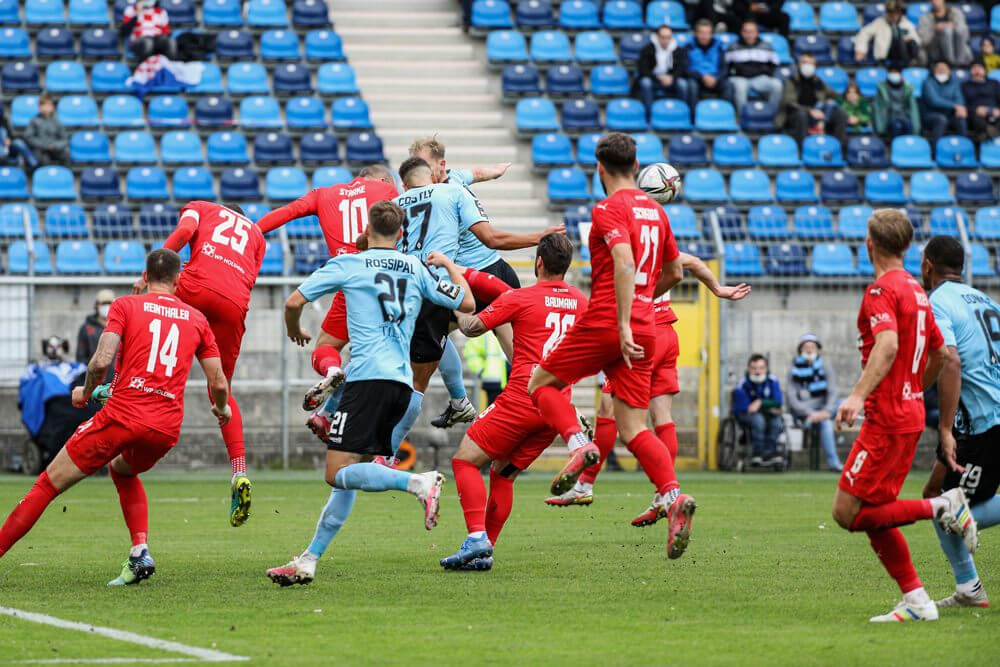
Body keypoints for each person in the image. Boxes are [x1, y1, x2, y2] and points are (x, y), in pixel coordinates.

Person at [265, 201, 474, 586]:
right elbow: (467, 303)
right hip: (401, 384)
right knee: (355, 473)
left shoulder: (350, 263)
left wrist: (295, 327)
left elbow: (295, 300)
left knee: (336, 473)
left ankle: (417, 482)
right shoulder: (415, 267)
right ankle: (309, 559)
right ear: (400, 234)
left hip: (365, 381)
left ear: (367, 228)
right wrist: (449, 267)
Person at [0, 249, 230, 586]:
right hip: (164, 427)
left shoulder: (125, 305)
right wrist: (222, 408)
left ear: (145, 276)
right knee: (122, 469)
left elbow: (100, 361)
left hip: (122, 416)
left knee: (47, 484)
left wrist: (84, 391)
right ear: (178, 279)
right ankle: (139, 553)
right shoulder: (197, 319)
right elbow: (219, 381)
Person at [526, 133, 696, 560]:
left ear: (600, 169)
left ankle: (578, 445)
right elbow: (675, 271)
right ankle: (672, 496)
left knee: (539, 382)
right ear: (636, 166)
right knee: (634, 427)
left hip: (608, 321)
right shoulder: (657, 211)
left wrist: (620, 320)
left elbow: (623, 260)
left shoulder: (607, 209)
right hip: (647, 327)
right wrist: (640, 303)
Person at [832, 209, 976, 623]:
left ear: (869, 245)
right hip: (908, 411)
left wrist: (858, 396)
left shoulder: (882, 291)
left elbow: (889, 345)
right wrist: (914, 387)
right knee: (876, 511)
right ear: (909, 247)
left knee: (847, 513)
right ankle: (917, 601)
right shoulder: (916, 290)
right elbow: (941, 353)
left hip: (887, 418)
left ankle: (945, 505)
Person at [547, 252, 751, 508]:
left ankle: (585, 485)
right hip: (667, 332)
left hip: (641, 335)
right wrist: (718, 289)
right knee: (662, 416)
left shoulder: (626, 255)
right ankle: (665, 496)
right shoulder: (658, 251)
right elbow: (694, 263)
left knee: (609, 408)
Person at [442, 233, 587, 570]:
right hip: (555, 411)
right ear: (566, 266)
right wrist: (455, 267)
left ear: (538, 262)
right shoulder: (582, 302)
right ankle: (484, 551)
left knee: (464, 461)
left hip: (522, 399)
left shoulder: (523, 298)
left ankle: (477, 537)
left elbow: (474, 328)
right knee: (502, 476)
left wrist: (459, 308)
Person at [407, 137, 562, 429]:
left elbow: (492, 238)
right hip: (490, 273)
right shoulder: (450, 179)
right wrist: (495, 171)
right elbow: (474, 173)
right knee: (518, 358)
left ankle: (468, 403)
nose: (421, 175)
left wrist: (539, 237)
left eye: (425, 167)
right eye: (417, 167)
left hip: (479, 280)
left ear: (441, 166)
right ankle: (544, 408)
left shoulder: (447, 193)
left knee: (440, 330)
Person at [134, 202, 266, 528]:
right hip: (234, 304)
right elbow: (249, 276)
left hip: (195, 286)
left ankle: (122, 381)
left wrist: (147, 275)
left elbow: (184, 232)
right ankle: (239, 471)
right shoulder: (257, 235)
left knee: (145, 315)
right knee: (219, 387)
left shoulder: (200, 207)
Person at [255, 165, 399, 442]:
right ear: (382, 179)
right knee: (376, 358)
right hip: (387, 282)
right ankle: (456, 398)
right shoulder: (386, 190)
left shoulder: (324, 194)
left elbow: (285, 213)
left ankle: (332, 377)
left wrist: (252, 232)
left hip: (348, 280)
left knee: (326, 348)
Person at [919, 236, 1000, 609]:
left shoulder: (938, 303)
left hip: (984, 422)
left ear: (927, 264)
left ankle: (968, 585)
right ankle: (968, 587)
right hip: (983, 417)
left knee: (948, 508)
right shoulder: (983, 299)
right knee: (934, 496)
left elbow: (950, 360)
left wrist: (946, 430)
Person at [787, 334, 843, 472]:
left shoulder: (825, 366)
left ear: (817, 349)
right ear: (800, 350)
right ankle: (834, 464)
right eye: (806, 347)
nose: (809, 349)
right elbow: (792, 399)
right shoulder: (793, 369)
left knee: (846, 403)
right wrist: (812, 413)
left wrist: (826, 411)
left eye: (812, 347)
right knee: (826, 424)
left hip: (825, 411)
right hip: (805, 414)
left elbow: (832, 392)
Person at [778, 54, 847, 146]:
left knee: (839, 113)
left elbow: (834, 95)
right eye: (805, 62)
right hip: (795, 114)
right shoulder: (791, 81)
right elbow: (788, 102)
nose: (808, 66)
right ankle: (803, 148)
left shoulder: (818, 81)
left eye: (811, 63)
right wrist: (809, 111)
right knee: (801, 115)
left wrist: (849, 97)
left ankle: (839, 146)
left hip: (817, 113)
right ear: (799, 64)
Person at [731, 354, 784, 465]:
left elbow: (778, 401)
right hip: (745, 414)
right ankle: (757, 454)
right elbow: (747, 407)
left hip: (767, 414)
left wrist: (760, 402)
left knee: (776, 422)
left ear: (766, 369)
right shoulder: (742, 383)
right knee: (758, 420)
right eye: (754, 368)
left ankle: (769, 454)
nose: (757, 372)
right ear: (749, 369)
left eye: (761, 368)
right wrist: (766, 405)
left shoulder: (772, 381)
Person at [724, 20, 782, 112]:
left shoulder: (767, 46)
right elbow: (726, 65)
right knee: (740, 87)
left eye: (751, 32)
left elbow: (775, 64)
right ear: (741, 32)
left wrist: (766, 73)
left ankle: (771, 115)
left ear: (757, 33)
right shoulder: (733, 46)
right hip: (740, 78)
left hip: (759, 79)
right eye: (746, 31)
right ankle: (743, 118)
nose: (748, 34)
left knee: (777, 85)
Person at [636, 25, 691, 121]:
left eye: (668, 37)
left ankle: (682, 115)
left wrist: (672, 77)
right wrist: (658, 77)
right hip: (654, 79)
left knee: (683, 84)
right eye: (663, 37)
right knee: (645, 82)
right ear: (657, 37)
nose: (666, 40)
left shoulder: (678, 50)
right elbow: (643, 69)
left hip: (671, 80)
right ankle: (649, 115)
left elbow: (682, 68)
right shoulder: (648, 49)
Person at [854, 0, 920, 67]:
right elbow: (864, 33)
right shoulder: (880, 22)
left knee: (908, 43)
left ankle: (910, 66)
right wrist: (861, 49)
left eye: (895, 12)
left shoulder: (907, 24)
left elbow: (916, 41)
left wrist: (908, 40)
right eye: (890, 12)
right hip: (885, 56)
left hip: (903, 56)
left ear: (900, 13)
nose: (893, 16)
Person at [921, 60, 968, 145]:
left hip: (950, 114)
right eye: (939, 68)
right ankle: (934, 149)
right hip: (931, 114)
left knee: (961, 118)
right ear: (934, 71)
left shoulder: (954, 83)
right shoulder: (928, 82)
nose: (942, 70)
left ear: (949, 71)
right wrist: (955, 106)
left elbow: (959, 99)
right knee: (941, 120)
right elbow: (934, 101)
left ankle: (963, 148)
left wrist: (960, 108)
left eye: (944, 68)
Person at [917, 0, 972, 67]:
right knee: (947, 31)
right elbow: (924, 40)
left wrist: (952, 26)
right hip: (935, 49)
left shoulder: (955, 12)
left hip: (957, 47)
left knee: (960, 28)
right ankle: (952, 63)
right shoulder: (925, 17)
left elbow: (965, 34)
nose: (935, 1)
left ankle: (959, 62)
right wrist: (934, 30)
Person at [686, 19, 729, 106]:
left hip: (715, 79)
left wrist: (716, 78)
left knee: (728, 85)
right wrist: (702, 77)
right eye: (701, 33)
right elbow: (685, 68)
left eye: (707, 33)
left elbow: (724, 68)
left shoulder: (719, 47)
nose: (704, 36)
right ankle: (693, 115)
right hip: (697, 79)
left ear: (711, 34)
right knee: (691, 85)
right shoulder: (688, 47)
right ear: (695, 33)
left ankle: (725, 113)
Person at [76, 289, 115, 382]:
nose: (106, 307)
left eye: (109, 303)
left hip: (116, 381)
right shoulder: (86, 328)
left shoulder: (120, 326)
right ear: (97, 305)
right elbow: (81, 357)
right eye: (103, 303)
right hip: (93, 381)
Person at [873, 65, 922, 138]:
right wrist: (880, 127)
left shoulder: (908, 87)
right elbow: (878, 108)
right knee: (896, 126)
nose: (894, 75)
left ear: (900, 74)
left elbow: (913, 108)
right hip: (889, 116)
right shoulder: (882, 88)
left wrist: (917, 126)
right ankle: (895, 147)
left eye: (896, 72)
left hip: (904, 115)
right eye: (892, 73)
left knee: (909, 125)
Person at [463, 332, 507, 406]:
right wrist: (480, 370)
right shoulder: (487, 332)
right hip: (494, 380)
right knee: (494, 411)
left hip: (515, 379)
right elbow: (470, 350)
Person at [24, 95, 69, 167]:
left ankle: (65, 174)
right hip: (41, 150)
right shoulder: (34, 121)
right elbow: (29, 137)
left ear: (52, 107)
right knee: (42, 157)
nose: (46, 108)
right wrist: (44, 145)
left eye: (48, 105)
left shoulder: (57, 121)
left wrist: (54, 145)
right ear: (39, 108)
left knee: (66, 153)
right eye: (43, 105)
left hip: (55, 149)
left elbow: (64, 139)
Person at [961, 60, 1000, 142]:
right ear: (970, 71)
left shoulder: (994, 83)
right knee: (978, 121)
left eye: (979, 68)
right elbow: (963, 102)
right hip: (976, 113)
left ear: (985, 70)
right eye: (974, 68)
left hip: (995, 111)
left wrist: (998, 110)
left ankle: (986, 135)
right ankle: (990, 133)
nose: (977, 70)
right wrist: (975, 110)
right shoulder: (965, 85)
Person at [0, 100, 36, 171]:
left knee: (19, 142)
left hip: (7, 149)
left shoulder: (3, 121)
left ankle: (35, 164)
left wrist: (9, 139)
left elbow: (11, 135)